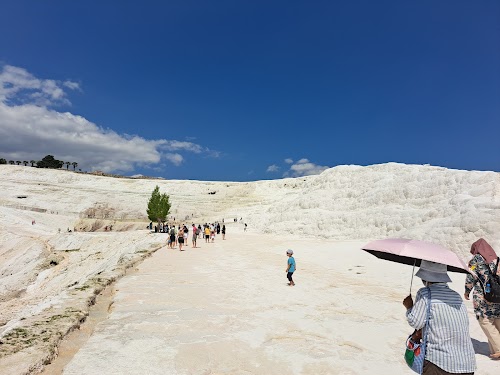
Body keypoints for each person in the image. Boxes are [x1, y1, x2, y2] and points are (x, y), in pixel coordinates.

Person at [403, 260, 476, 374]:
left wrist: (409, 307)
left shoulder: (425, 293)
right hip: (467, 363)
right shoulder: (456, 296)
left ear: (425, 278)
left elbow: (415, 322)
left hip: (440, 362)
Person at [464, 238, 500, 359]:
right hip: (498, 297)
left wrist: (467, 291)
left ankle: (499, 349)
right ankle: (495, 350)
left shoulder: (476, 260)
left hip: (482, 297)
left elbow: (471, 277)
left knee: (485, 321)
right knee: (497, 320)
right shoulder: (497, 260)